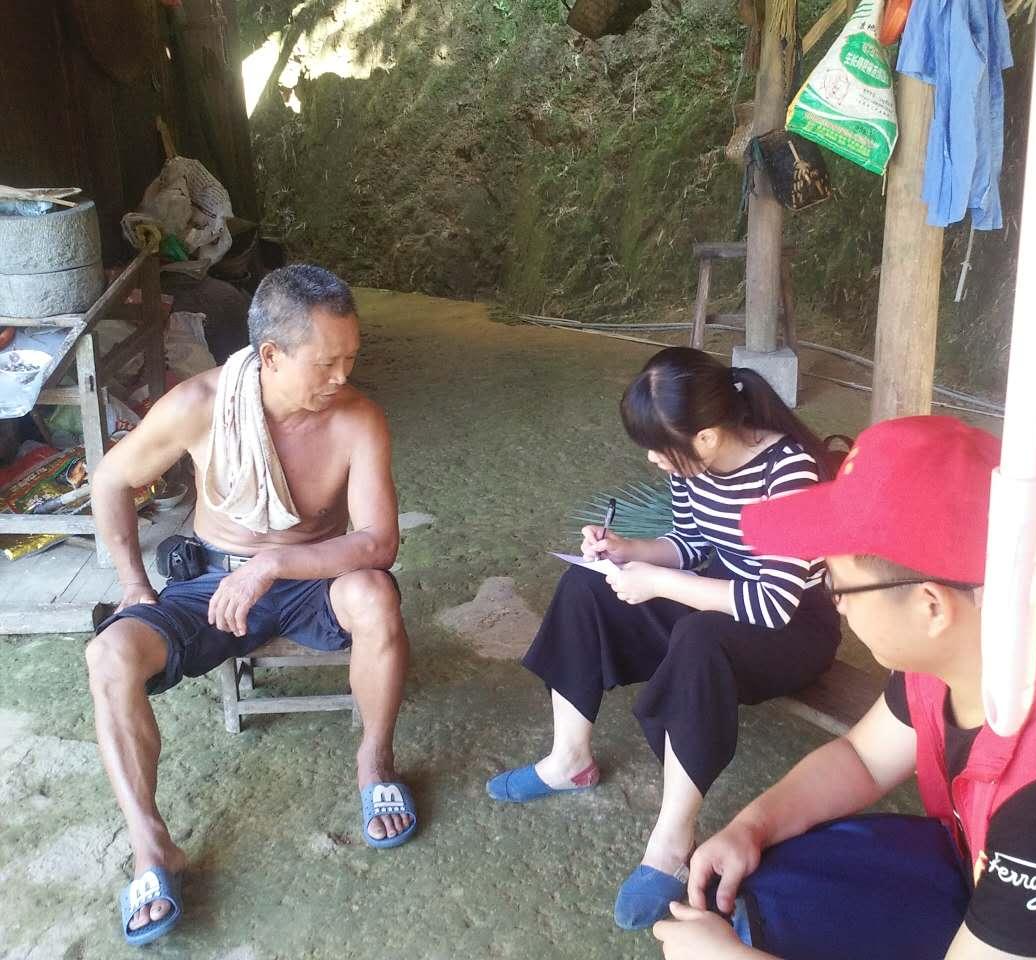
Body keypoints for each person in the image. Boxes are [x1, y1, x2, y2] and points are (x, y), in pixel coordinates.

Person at [653, 415, 1036, 960]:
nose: (836, 606)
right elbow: (862, 759)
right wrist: (751, 826)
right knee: (767, 888)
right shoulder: (978, 639)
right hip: (978, 869)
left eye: (835, 585)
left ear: (931, 605)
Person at [86, 265, 416, 947]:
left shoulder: (358, 418)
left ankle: (375, 762)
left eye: (351, 358)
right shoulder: (201, 405)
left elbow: (378, 542)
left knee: (376, 596)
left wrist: (274, 564)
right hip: (211, 580)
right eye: (326, 362)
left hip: (311, 575)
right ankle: (152, 847)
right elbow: (112, 478)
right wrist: (133, 585)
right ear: (270, 355)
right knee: (109, 655)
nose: (342, 376)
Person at [487, 347, 843, 930]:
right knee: (586, 584)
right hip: (717, 592)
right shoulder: (693, 465)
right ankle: (569, 759)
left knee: (701, 639)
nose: (653, 461)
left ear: (706, 436)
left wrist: (660, 583)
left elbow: (773, 602)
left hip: (793, 628)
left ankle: (673, 840)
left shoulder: (788, 471)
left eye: (658, 448)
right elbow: (693, 546)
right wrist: (627, 551)